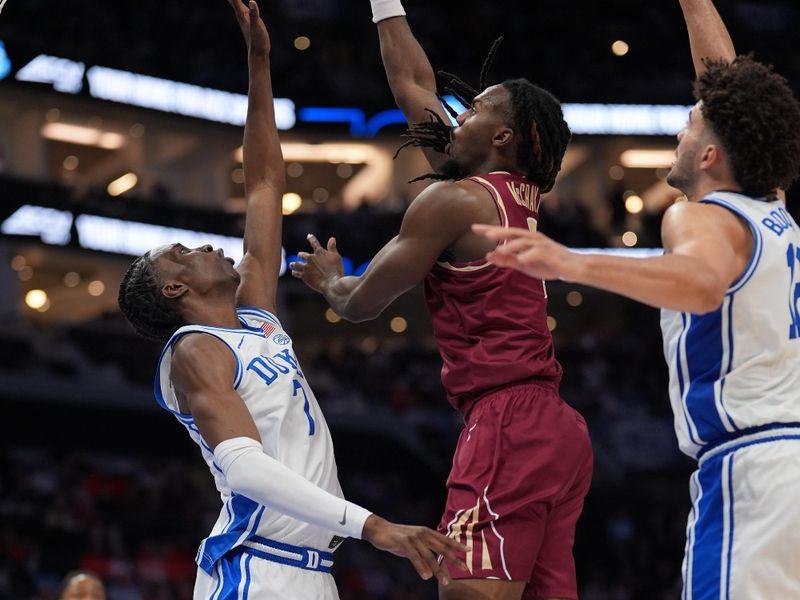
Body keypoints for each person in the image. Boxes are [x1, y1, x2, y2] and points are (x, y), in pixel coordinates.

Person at [116, 2, 464, 598]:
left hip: (311, 571)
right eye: (183, 251)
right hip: (254, 567)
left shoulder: (255, 316)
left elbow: (264, 184)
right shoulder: (195, 350)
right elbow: (244, 468)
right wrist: (373, 526)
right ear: (175, 289)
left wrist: (259, 66)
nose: (202, 245)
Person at [473, 1, 800, 598]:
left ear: (708, 157)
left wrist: (570, 262)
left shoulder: (699, 216)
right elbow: (726, 88)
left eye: (690, 127)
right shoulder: (771, 204)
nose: (680, 131)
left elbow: (701, 285)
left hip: (755, 474)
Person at [290, 2, 592, 598]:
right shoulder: (511, 192)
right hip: (556, 428)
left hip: (507, 420)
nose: (458, 113)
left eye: (474, 109)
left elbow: (359, 304)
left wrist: (328, 279)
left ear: (502, 135)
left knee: (466, 591)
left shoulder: (454, 202)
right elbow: (412, 85)